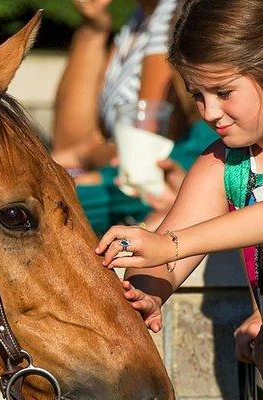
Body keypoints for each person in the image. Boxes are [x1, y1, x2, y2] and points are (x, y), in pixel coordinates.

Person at [94, 0, 263, 375]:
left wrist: (169, 244)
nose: (210, 113)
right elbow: (167, 259)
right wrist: (146, 291)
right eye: (197, 95)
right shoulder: (224, 164)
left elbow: (174, 243)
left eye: (223, 92)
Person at [53, 0, 217, 235]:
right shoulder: (138, 19)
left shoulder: (174, 13)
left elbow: (140, 152)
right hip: (136, 181)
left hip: (163, 180)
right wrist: (93, 27)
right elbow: (69, 145)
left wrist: (87, 152)